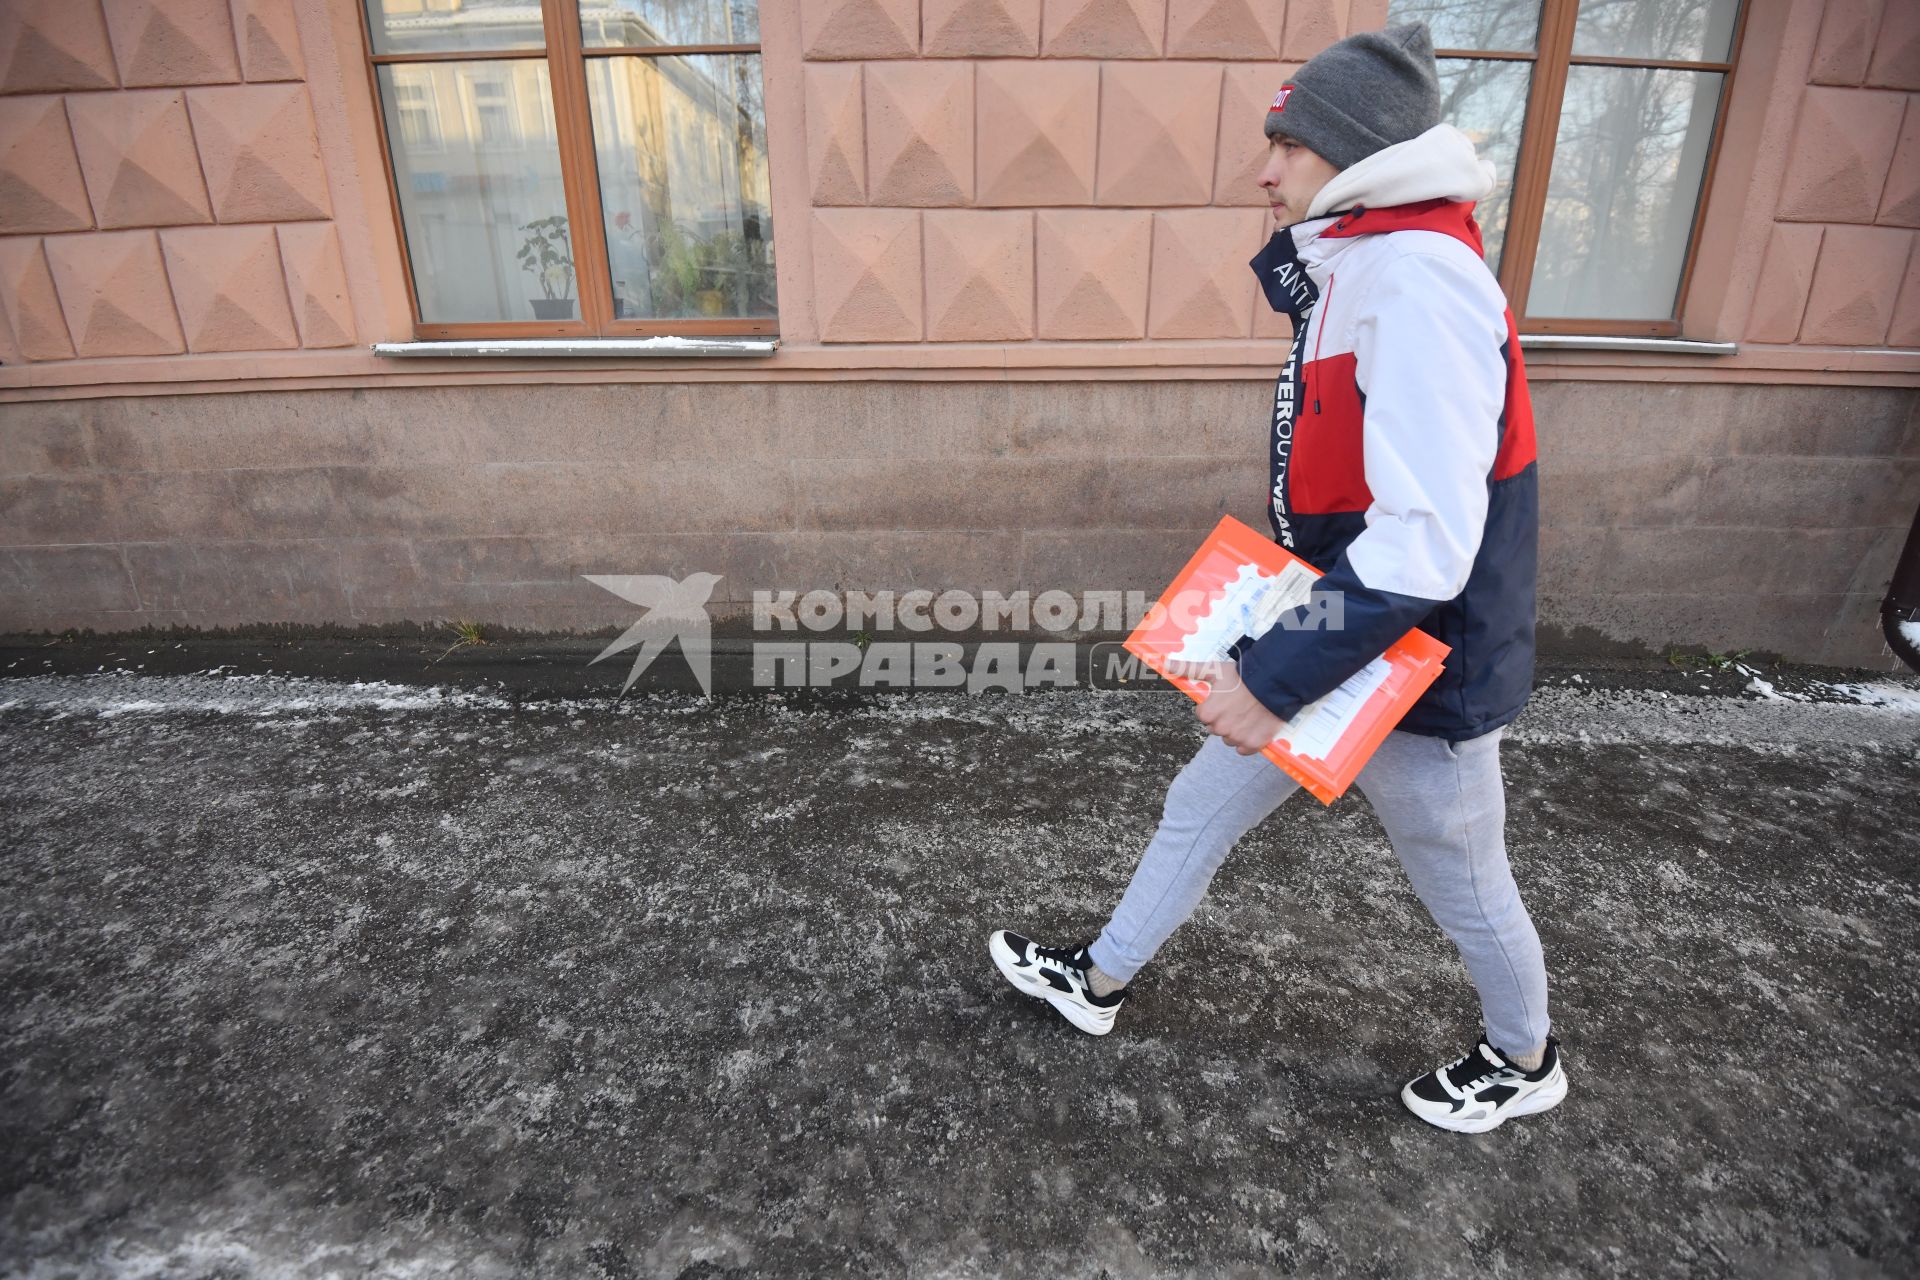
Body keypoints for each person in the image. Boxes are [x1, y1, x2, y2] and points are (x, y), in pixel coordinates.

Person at [989, 22, 1564, 1135]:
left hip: (1422, 659)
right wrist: (1276, 631)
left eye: (1288, 143)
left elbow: (1427, 540)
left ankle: (1524, 1052)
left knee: (1460, 873)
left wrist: (1274, 673)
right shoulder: (1363, 261)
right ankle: (1099, 978)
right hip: (1347, 629)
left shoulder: (1421, 278)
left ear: (1350, 154)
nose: (1265, 167)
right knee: (1199, 799)